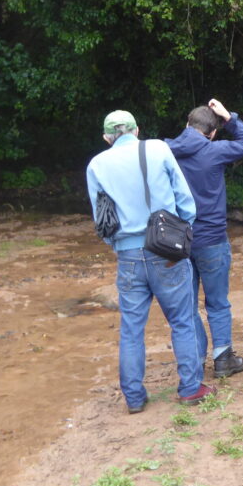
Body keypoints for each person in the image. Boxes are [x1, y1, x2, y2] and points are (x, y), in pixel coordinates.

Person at [86, 110, 212, 411]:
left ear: (107, 138)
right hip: (167, 249)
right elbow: (185, 201)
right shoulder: (157, 148)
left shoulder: (96, 165)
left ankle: (133, 398)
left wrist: (118, 245)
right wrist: (181, 233)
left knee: (131, 328)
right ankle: (190, 389)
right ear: (137, 130)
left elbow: (101, 220)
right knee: (182, 321)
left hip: (128, 254)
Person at [166, 98, 243, 379]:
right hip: (213, 239)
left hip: (177, 239)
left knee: (187, 304)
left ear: (186, 125)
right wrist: (229, 117)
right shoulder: (215, 151)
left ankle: (194, 359)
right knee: (217, 302)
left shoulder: (165, 150)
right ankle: (222, 360)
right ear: (213, 132)